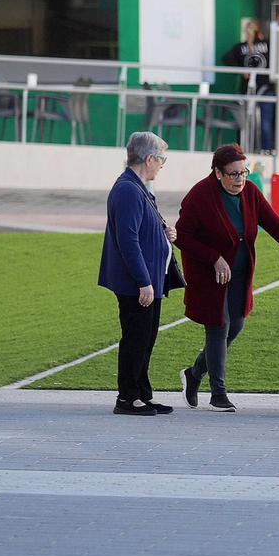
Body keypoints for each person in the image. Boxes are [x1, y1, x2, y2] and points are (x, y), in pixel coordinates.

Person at [176, 143, 279, 412]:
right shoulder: (200, 196)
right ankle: (218, 394)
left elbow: (273, 221)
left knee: (236, 325)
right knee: (218, 325)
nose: (239, 179)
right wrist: (214, 257)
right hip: (208, 274)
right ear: (218, 172)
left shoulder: (250, 192)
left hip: (239, 271)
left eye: (243, 172)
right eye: (233, 174)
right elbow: (182, 237)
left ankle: (195, 373)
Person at [98, 131, 179, 416]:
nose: (162, 164)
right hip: (138, 283)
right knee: (135, 338)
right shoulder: (128, 190)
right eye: (161, 159)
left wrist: (163, 233)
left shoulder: (138, 187)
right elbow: (128, 240)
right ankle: (127, 397)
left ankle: (142, 393)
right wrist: (144, 282)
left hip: (149, 281)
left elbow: (140, 231)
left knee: (146, 338)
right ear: (149, 158)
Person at [221, 19, 273, 152]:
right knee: (265, 123)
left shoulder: (240, 47)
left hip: (247, 90)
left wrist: (241, 70)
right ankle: (266, 150)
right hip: (265, 88)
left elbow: (226, 58)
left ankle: (244, 150)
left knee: (245, 123)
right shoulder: (268, 44)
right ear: (259, 32)